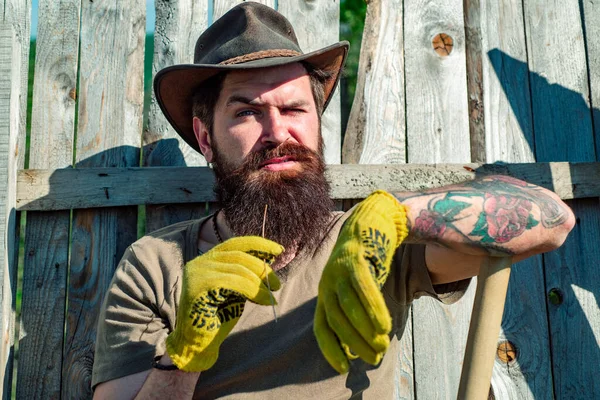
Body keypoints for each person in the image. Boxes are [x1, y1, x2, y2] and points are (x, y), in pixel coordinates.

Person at [91, 3, 575, 399]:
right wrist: (183, 354)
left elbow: (551, 219)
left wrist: (394, 216)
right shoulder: (157, 264)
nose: (277, 132)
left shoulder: (367, 246)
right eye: (246, 112)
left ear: (317, 125)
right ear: (205, 136)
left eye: (294, 108)